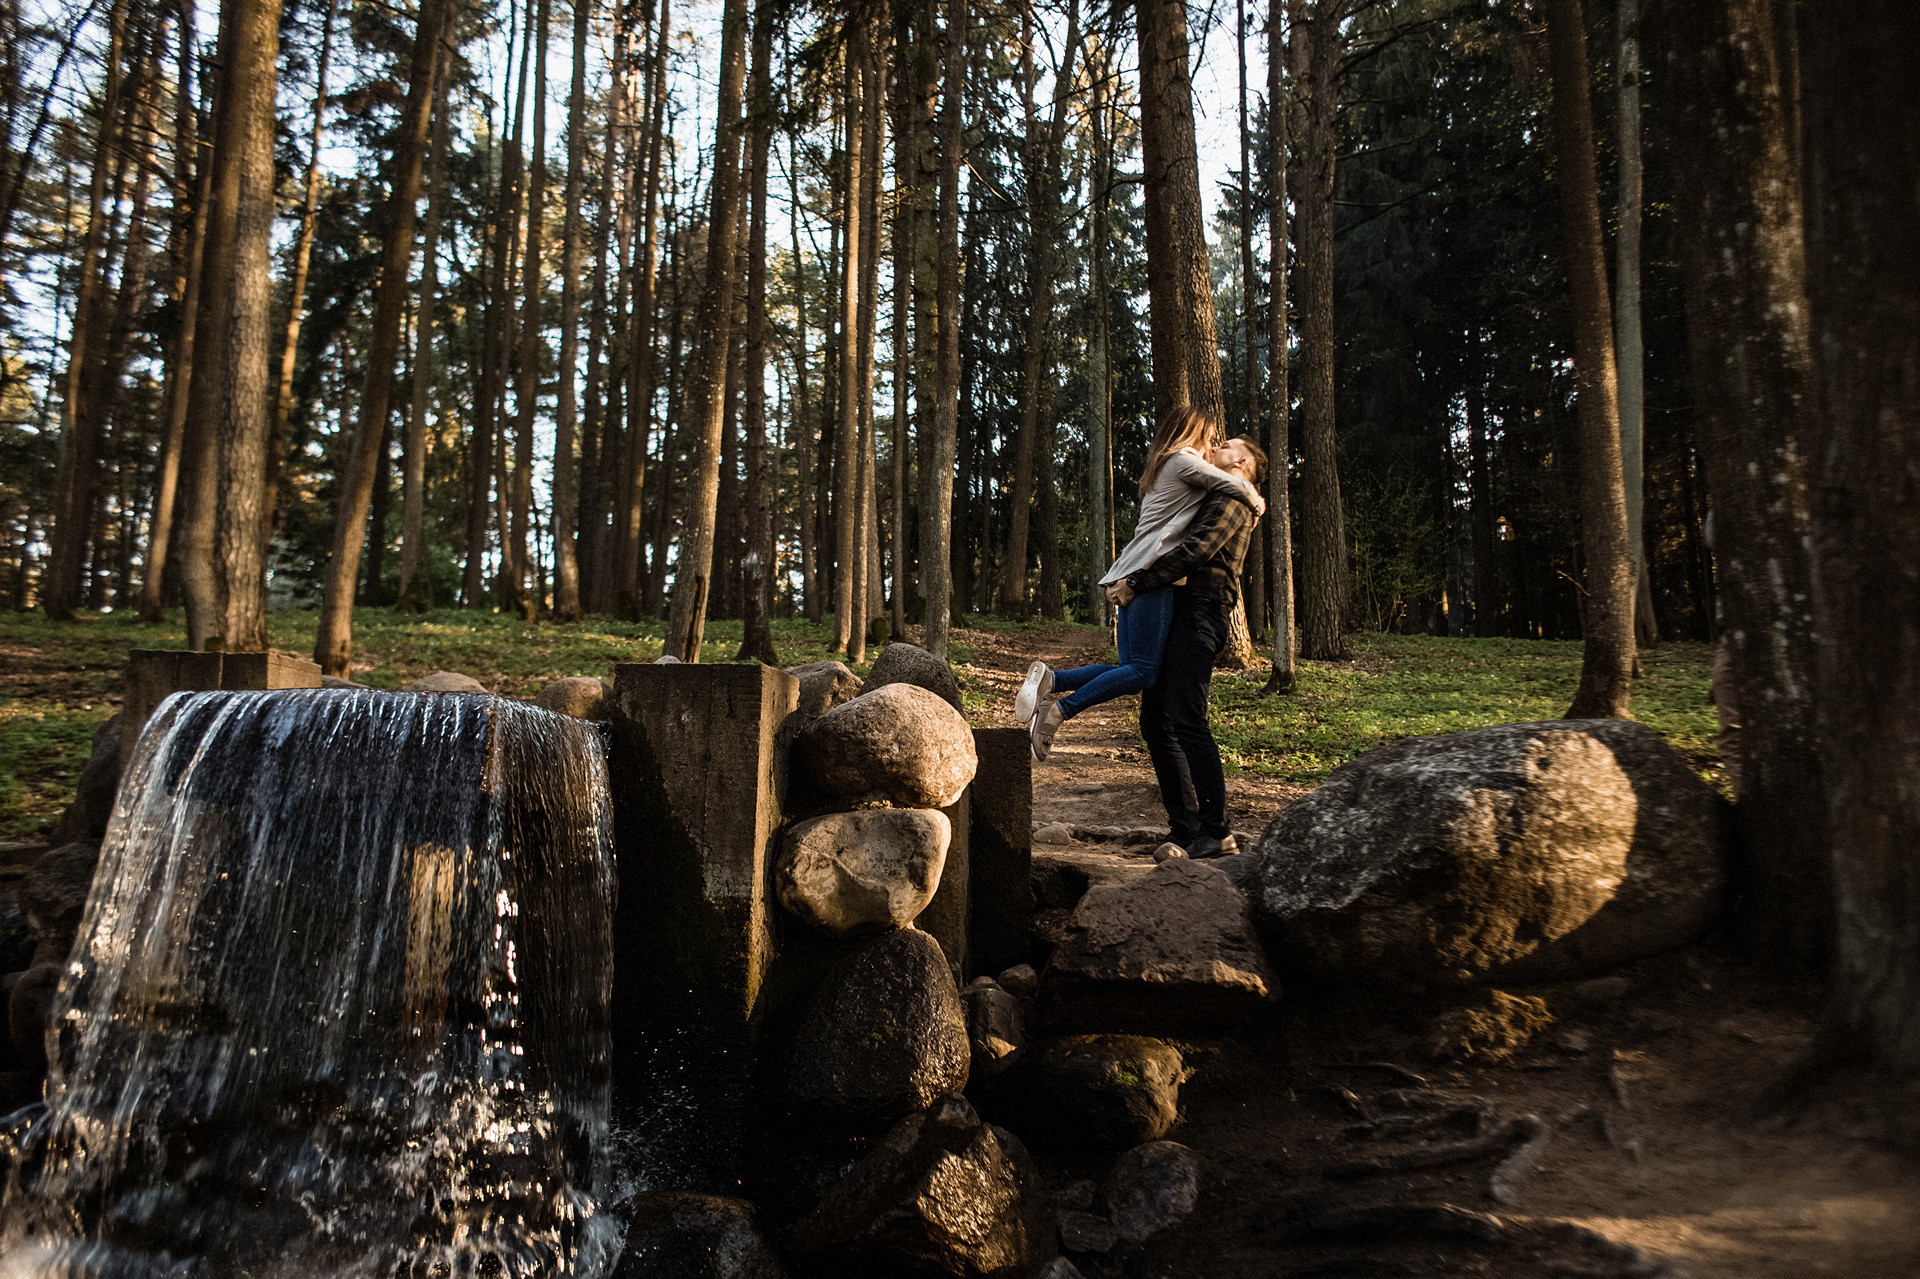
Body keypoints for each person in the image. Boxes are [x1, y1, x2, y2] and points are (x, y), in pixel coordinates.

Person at [1016, 408, 1265, 760]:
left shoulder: (1169, 465)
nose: (1211, 446)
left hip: (1134, 568)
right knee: (1144, 671)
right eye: (1209, 438)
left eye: (1218, 443)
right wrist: (1255, 502)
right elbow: (1229, 483)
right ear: (1192, 434)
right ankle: (1056, 711)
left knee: (1131, 669)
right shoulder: (1184, 460)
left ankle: (1052, 681)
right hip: (1149, 572)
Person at [1108, 435, 1267, 858]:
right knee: (1156, 720)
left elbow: (1197, 551)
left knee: (1187, 717)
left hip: (1202, 613)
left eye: (1228, 444)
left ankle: (1216, 831)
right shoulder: (1215, 491)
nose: (1216, 445)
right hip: (1182, 611)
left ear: (1244, 461)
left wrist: (1137, 581)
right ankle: (1184, 829)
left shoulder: (1234, 501)